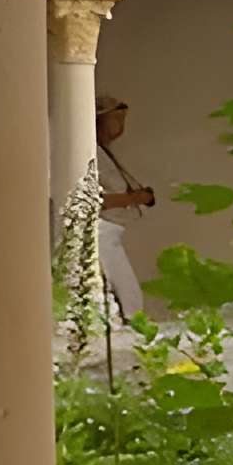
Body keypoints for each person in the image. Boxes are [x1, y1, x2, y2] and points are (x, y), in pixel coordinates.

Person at [94, 98, 155, 319]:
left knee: (128, 298)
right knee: (128, 299)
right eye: (116, 120)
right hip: (102, 232)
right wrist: (135, 198)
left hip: (112, 232)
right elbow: (94, 199)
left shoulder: (103, 152)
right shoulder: (90, 153)